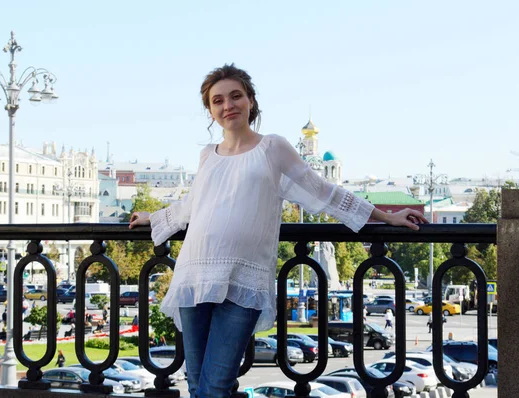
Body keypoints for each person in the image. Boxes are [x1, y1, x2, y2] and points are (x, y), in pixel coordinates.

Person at [128, 64, 428, 398]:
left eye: (235, 96)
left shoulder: (272, 147)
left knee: (215, 387)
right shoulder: (207, 156)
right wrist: (154, 219)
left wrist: (385, 217)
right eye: (218, 100)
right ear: (210, 112)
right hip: (195, 276)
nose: (228, 105)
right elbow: (191, 205)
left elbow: (322, 190)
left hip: (243, 280)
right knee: (198, 383)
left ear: (251, 101)